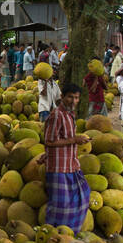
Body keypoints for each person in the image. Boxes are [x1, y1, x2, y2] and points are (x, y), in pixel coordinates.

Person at [39, 84, 92, 232]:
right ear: (62, 97)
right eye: (70, 96)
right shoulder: (57, 115)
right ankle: (50, 234)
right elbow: (49, 141)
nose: (73, 100)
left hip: (70, 164)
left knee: (83, 194)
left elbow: (58, 140)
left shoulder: (70, 115)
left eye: (76, 97)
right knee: (59, 205)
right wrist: (75, 140)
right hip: (58, 167)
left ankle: (67, 232)